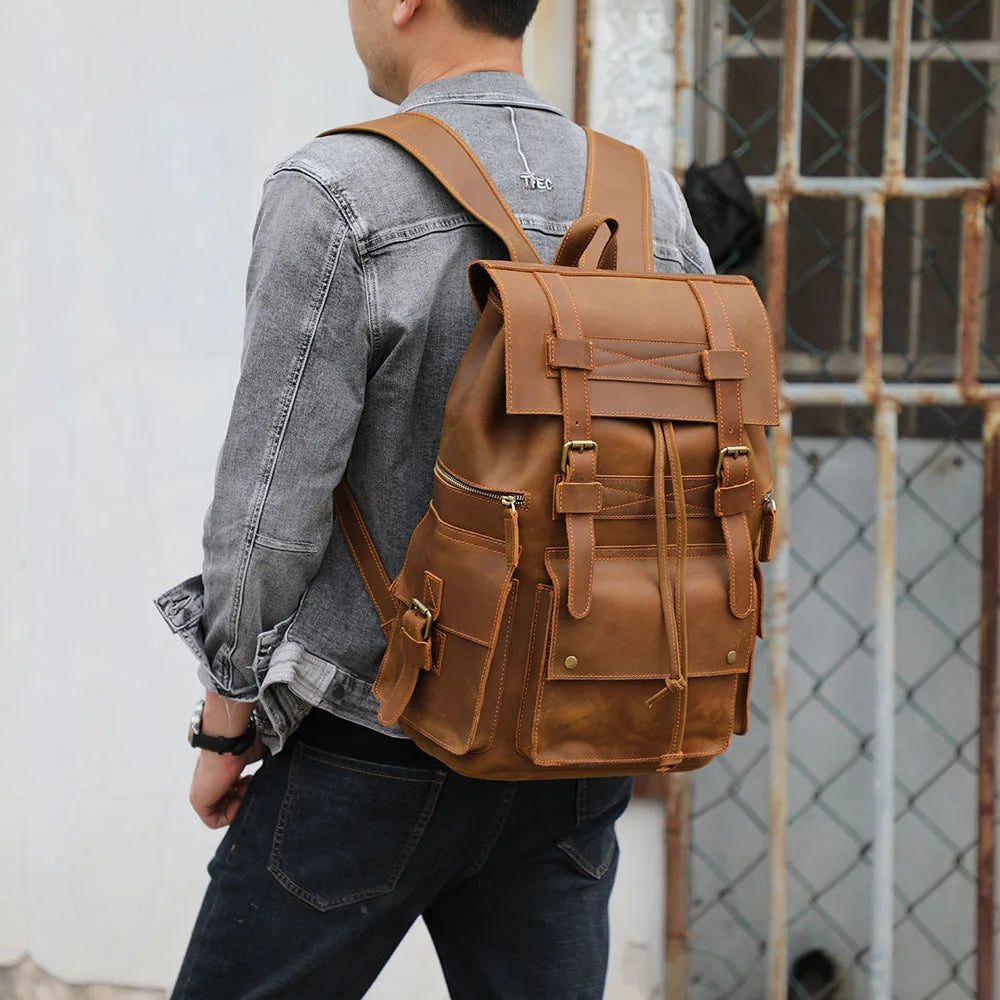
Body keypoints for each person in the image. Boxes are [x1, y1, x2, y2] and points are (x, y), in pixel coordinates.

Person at [155, 1, 713, 997]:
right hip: (574, 745)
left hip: (374, 737)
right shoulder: (648, 199)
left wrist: (224, 718)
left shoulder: (338, 189)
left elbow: (271, 502)